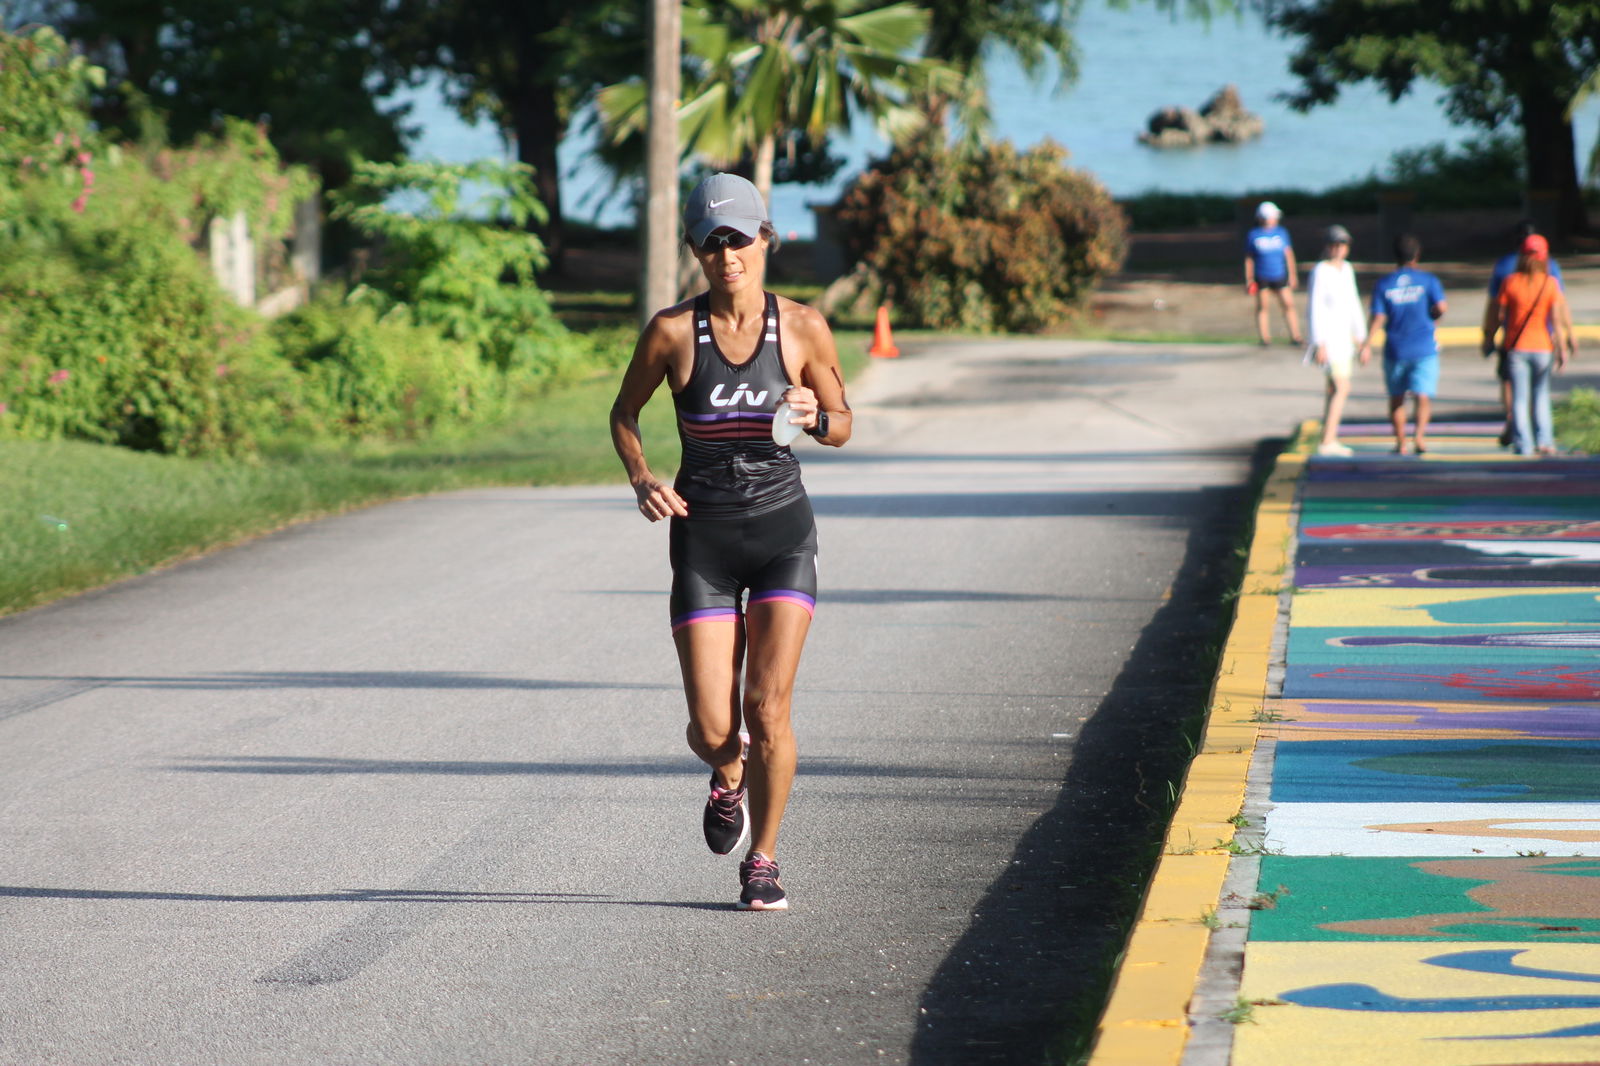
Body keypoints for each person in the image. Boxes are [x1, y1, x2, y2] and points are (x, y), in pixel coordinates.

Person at [609, 173, 852, 911]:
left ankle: (764, 860)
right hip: (704, 544)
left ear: (765, 239)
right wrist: (643, 477)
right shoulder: (671, 332)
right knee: (714, 728)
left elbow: (843, 423)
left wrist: (814, 415)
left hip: (783, 536)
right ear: (694, 249)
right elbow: (624, 413)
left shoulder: (803, 327)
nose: (727, 256)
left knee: (767, 709)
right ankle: (729, 774)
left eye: (739, 239)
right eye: (711, 243)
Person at [1480, 220, 1569, 446]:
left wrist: (1489, 337)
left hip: (1517, 346)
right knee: (1541, 395)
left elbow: (1498, 314)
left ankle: (1523, 443)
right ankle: (1545, 441)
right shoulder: (1550, 283)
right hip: (1543, 347)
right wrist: (1563, 347)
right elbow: (1557, 319)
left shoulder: (1510, 282)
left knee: (1519, 398)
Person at [1368, 234, 1447, 455]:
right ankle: (1419, 438)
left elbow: (1378, 316)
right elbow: (1441, 307)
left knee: (1397, 397)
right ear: (1417, 255)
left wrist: (1366, 343)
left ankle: (1400, 442)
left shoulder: (1384, 283)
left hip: (1395, 348)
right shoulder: (1429, 280)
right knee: (1423, 396)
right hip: (1424, 347)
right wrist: (1433, 318)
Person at [1305, 224, 1370, 456]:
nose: (1338, 249)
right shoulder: (1320, 271)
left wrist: (1362, 339)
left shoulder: (1347, 270)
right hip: (1329, 340)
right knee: (1342, 387)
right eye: (1334, 244)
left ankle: (1329, 436)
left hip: (1345, 340)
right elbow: (1315, 308)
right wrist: (1319, 342)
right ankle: (1327, 441)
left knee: (1334, 388)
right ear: (1327, 247)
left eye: (1342, 244)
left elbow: (1353, 304)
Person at [1244, 201, 1303, 347]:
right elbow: (1249, 258)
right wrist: (1249, 278)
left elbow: (1288, 254)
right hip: (1262, 275)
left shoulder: (1281, 233)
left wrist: (1292, 274)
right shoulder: (1254, 234)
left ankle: (1296, 336)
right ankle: (1265, 338)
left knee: (1288, 304)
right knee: (1263, 306)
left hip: (1279, 274)